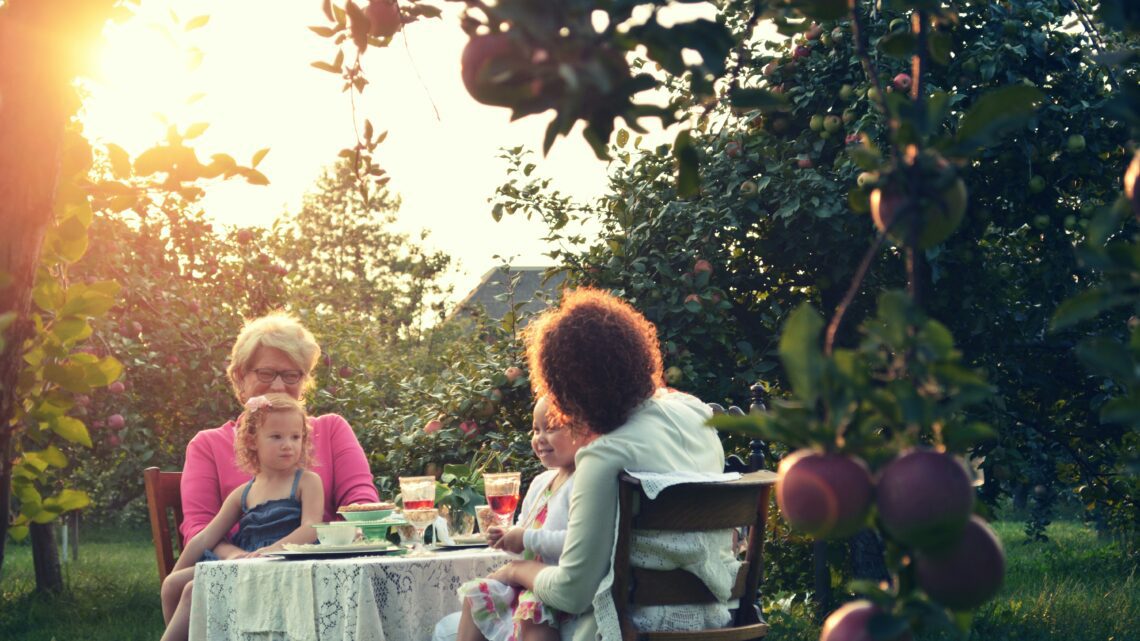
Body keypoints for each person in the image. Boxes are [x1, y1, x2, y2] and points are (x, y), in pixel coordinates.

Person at [483, 288, 735, 641]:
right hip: (714, 619)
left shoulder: (605, 455)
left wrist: (515, 569)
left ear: (570, 389)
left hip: (627, 628)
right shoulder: (695, 413)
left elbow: (572, 591)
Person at [180, 312, 378, 560]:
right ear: (240, 377)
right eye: (265, 373)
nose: (278, 386)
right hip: (238, 580)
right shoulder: (207, 445)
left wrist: (339, 539)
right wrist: (240, 559)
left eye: (291, 375)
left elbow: (361, 504)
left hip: (323, 567)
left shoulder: (332, 429)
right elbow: (199, 528)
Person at [161, 393, 324, 641]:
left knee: (194, 590)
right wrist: (175, 571)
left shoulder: (306, 481)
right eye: (276, 437)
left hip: (286, 561)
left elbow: (312, 527)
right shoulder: (244, 493)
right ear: (251, 441)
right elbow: (206, 537)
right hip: (246, 563)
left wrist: (272, 550)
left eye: (295, 437)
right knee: (173, 585)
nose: (288, 445)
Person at [455, 397, 585, 641]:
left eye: (552, 427)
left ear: (582, 431)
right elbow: (525, 527)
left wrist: (525, 538)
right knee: (476, 595)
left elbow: (576, 540)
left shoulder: (581, 482)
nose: (540, 438)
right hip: (527, 583)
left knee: (533, 616)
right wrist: (507, 537)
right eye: (536, 429)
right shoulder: (540, 482)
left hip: (552, 583)